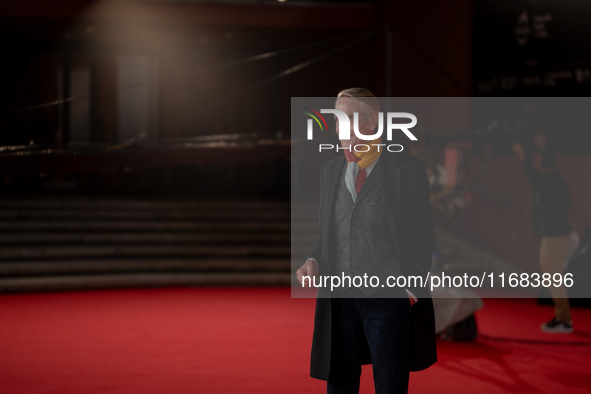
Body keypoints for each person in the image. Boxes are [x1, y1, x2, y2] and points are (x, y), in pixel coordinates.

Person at [296, 88, 437, 394]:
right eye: (336, 120)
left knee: (389, 386)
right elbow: (328, 233)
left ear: (372, 122)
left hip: (388, 300)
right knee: (340, 386)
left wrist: (410, 290)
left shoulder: (408, 170)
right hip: (340, 300)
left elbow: (423, 234)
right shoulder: (330, 171)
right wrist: (313, 260)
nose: (340, 128)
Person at [513, 128, 574, 333]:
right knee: (552, 274)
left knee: (553, 274)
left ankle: (563, 319)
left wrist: (523, 159)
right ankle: (562, 316)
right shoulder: (551, 181)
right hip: (555, 234)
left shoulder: (551, 180)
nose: (534, 162)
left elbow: (536, 178)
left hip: (556, 235)